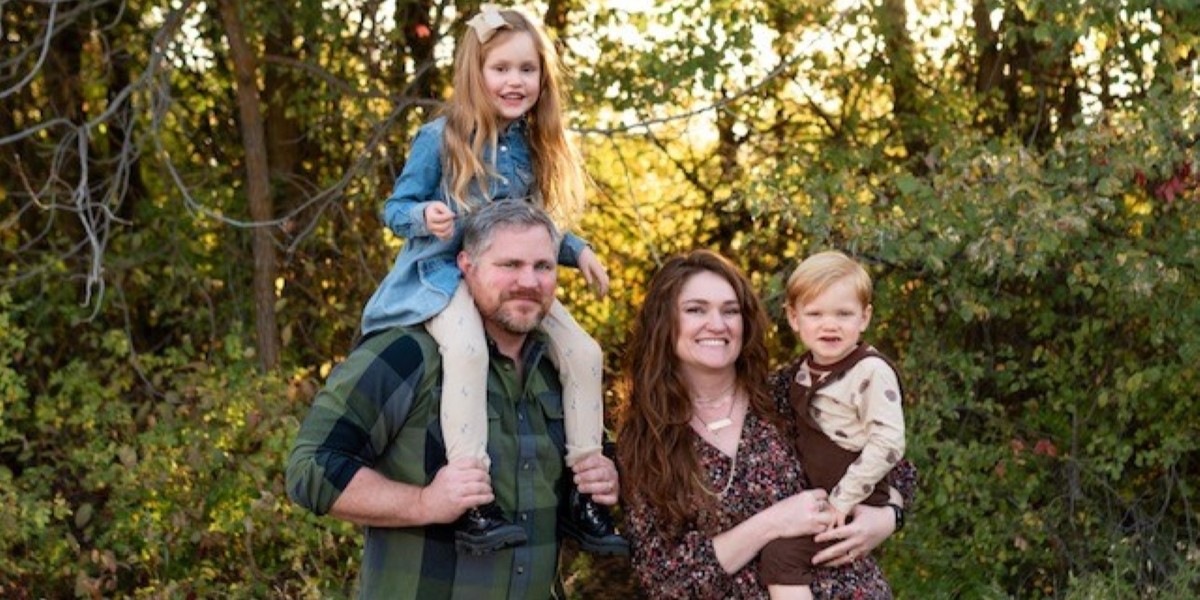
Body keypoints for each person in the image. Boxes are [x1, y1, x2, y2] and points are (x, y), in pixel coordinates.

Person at [355, 5, 622, 555]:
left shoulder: (531, 144)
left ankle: (581, 489)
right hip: (442, 273)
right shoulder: (442, 135)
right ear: (475, 73)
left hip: (507, 276)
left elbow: (534, 223)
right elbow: (394, 206)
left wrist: (577, 250)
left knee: (583, 352)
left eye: (527, 69)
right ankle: (473, 496)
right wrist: (423, 217)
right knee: (469, 350)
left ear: (542, 78)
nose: (514, 81)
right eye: (501, 68)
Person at [286, 201, 624, 598]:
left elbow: (589, 470)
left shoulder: (560, 372)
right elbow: (311, 469)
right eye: (509, 265)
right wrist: (423, 502)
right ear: (466, 265)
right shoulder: (406, 354)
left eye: (543, 267)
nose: (528, 282)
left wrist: (607, 476)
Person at [617, 249, 916, 599]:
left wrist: (886, 518)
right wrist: (773, 522)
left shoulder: (789, 392)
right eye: (696, 309)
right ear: (664, 322)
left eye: (730, 311)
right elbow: (663, 579)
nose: (717, 324)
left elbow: (895, 466)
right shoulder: (646, 439)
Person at [759, 250, 907, 600]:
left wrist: (843, 501)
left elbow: (889, 442)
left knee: (781, 557)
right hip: (822, 497)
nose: (830, 324)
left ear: (864, 317)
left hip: (853, 497)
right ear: (794, 318)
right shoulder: (799, 372)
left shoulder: (870, 370)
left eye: (844, 313)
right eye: (815, 313)